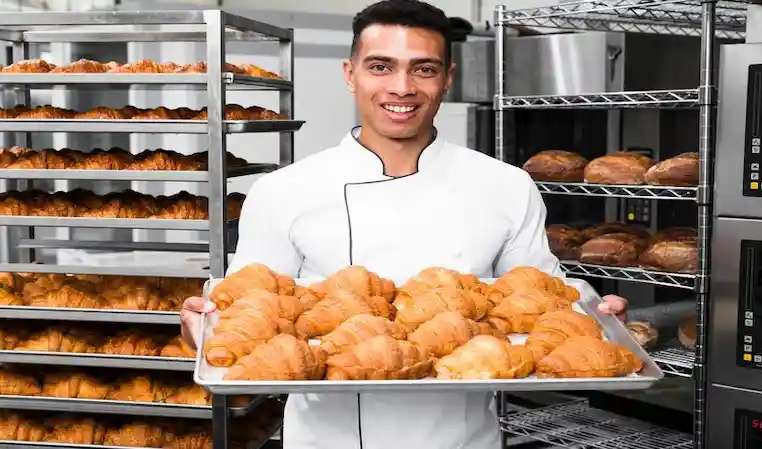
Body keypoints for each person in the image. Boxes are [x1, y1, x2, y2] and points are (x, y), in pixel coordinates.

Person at [181, 1, 628, 448]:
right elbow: (247, 310)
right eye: (381, 66)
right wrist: (201, 332)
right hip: (329, 439)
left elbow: (542, 301)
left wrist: (598, 323)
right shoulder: (284, 191)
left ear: (447, 79)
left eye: (424, 69)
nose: (402, 87)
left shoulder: (507, 186)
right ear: (350, 73)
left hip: (462, 438)